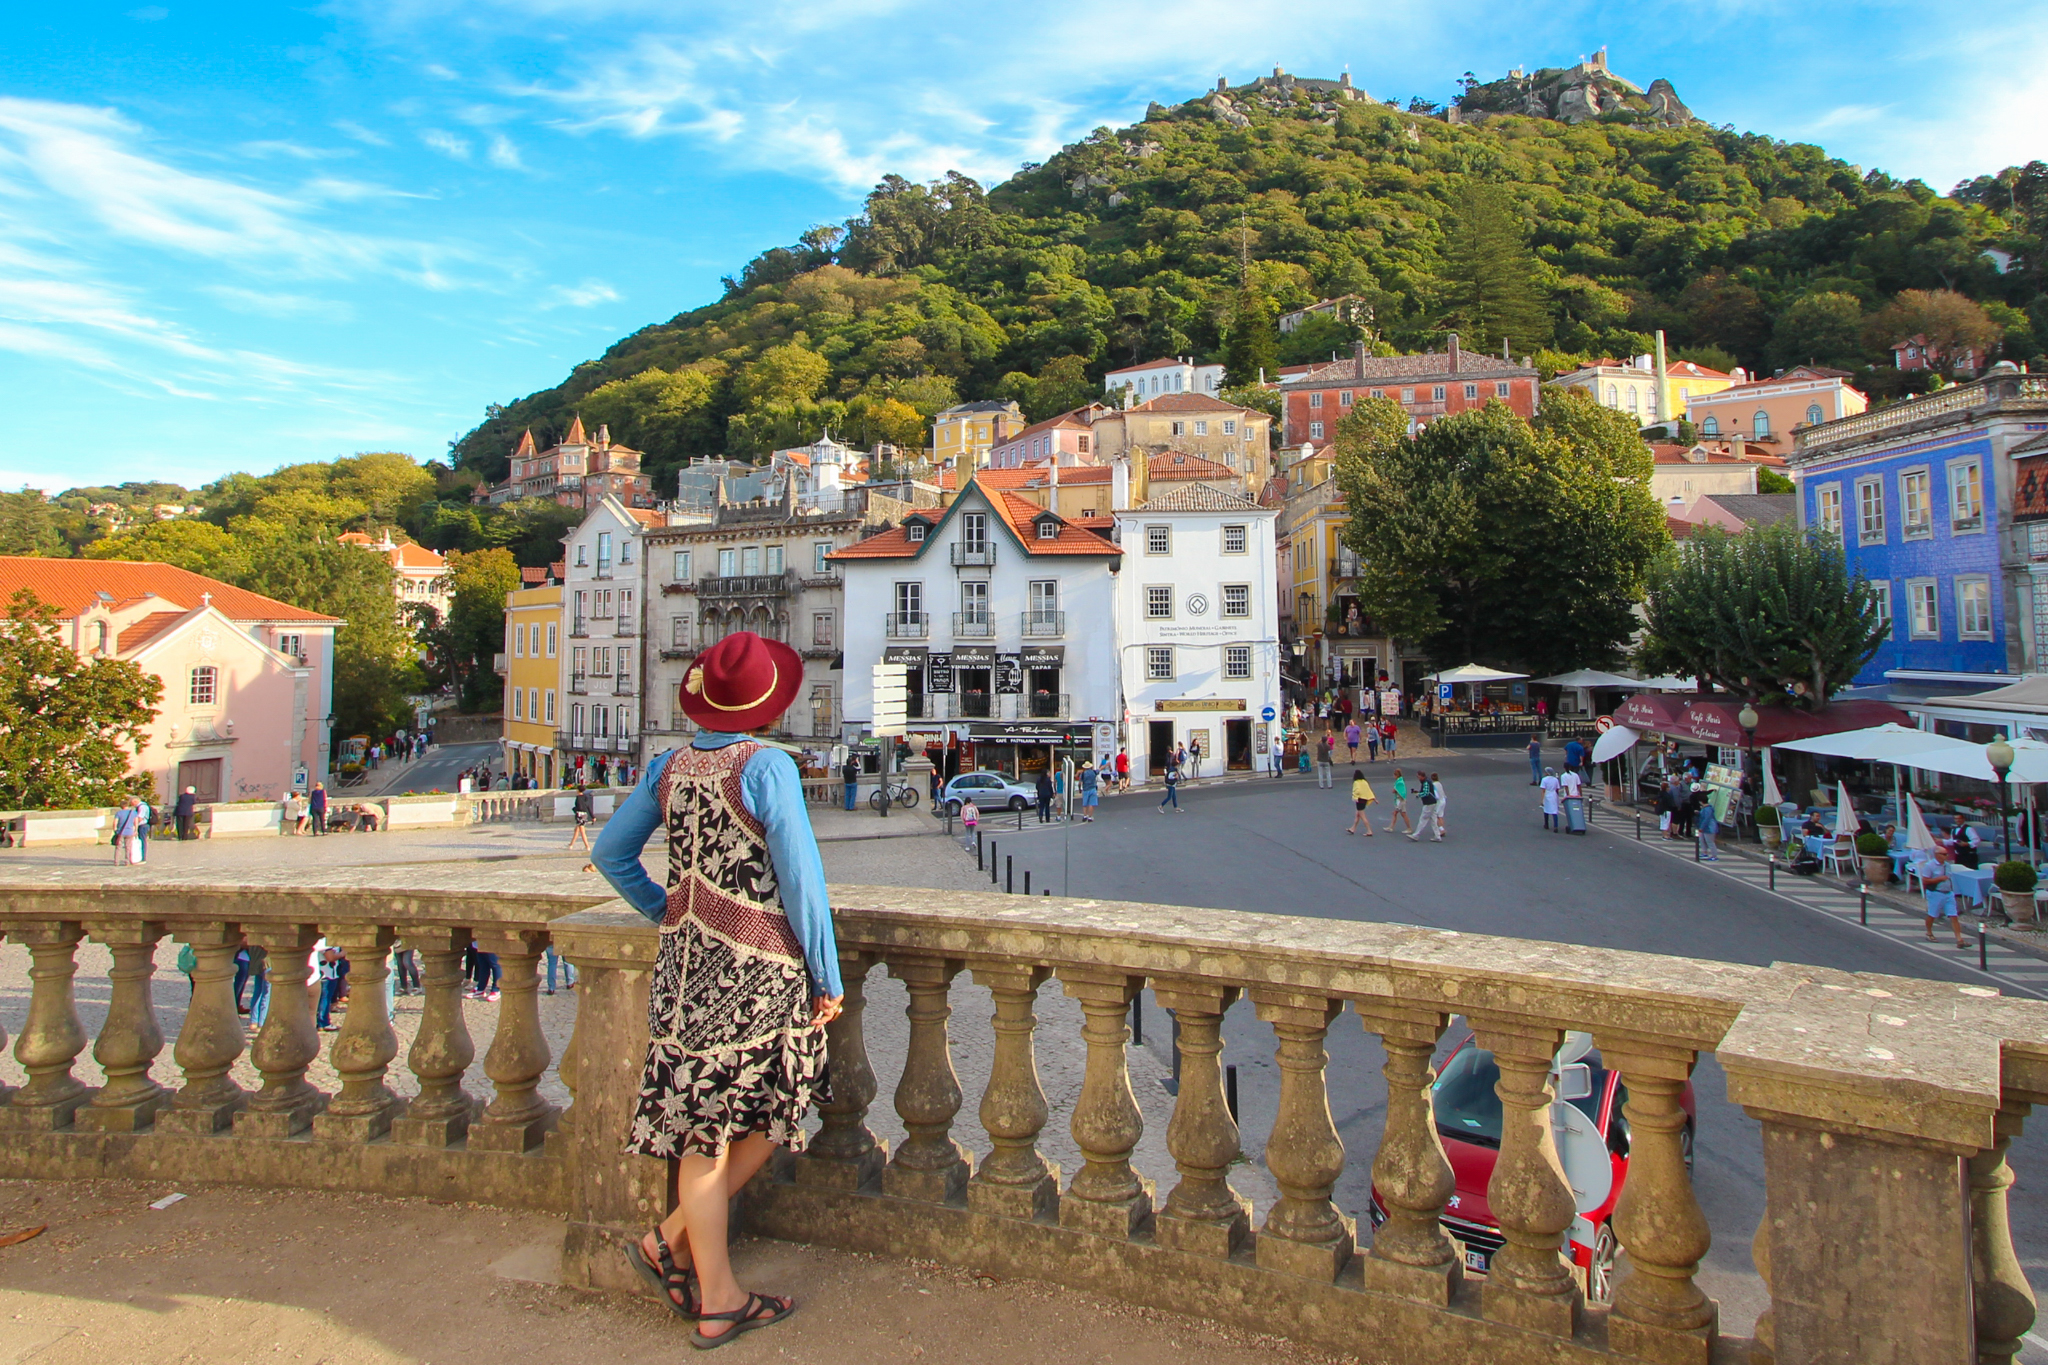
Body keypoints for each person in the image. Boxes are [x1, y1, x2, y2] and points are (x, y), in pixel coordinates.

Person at [592, 631, 839, 1347]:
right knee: (780, 1102)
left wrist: (668, 908)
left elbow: (612, 853)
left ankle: (670, 1241)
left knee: (703, 1128)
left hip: (682, 973)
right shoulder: (766, 766)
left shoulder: (669, 767)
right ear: (766, 704)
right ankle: (718, 1296)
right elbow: (801, 880)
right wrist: (825, 971)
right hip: (759, 968)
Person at [1914, 847, 1967, 947]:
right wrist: (1939, 879)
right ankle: (1929, 932)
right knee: (1932, 914)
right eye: (1944, 854)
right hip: (1935, 893)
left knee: (1954, 915)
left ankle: (1959, 939)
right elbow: (1925, 880)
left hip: (1948, 893)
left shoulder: (1947, 865)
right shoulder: (1930, 866)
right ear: (1937, 855)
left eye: (1946, 854)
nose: (1946, 856)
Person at [315, 946, 343, 1032]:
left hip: (330, 973)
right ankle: (323, 1022)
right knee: (325, 999)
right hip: (326, 974)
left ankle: (321, 1021)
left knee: (325, 999)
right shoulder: (324, 943)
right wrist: (344, 953)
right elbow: (330, 957)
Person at [1410, 773, 1441, 842]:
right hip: (1433, 802)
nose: (1418, 778)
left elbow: (1426, 793)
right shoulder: (1427, 781)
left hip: (1428, 803)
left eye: (1419, 777)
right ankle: (1437, 836)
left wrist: (1419, 794)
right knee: (1433, 820)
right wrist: (1419, 792)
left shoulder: (1426, 782)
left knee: (1423, 819)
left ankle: (1416, 835)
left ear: (1422, 776)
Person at [111, 797, 142, 865]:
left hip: (120, 832)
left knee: (118, 847)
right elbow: (136, 822)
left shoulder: (119, 813)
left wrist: (115, 830)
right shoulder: (133, 812)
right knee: (128, 847)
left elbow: (115, 823)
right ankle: (127, 861)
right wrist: (136, 830)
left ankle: (116, 861)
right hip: (130, 832)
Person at [1346, 770, 1377, 836]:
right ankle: (1353, 828)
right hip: (1365, 799)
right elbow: (1369, 790)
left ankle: (1369, 830)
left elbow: (1357, 790)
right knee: (1358, 815)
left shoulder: (1356, 782)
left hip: (1360, 800)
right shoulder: (1364, 782)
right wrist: (1374, 799)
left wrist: (1355, 797)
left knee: (1362, 816)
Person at [1558, 765, 1585, 835]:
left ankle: (1572, 825)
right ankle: (1580, 825)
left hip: (1569, 797)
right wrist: (1581, 795)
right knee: (1578, 812)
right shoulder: (1575, 775)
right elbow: (1579, 785)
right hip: (1576, 795)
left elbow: (1566, 787)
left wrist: (1568, 795)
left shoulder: (1563, 776)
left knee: (1570, 813)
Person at [1696, 792, 1722, 860]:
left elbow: (1706, 819)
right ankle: (1704, 853)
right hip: (1705, 828)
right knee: (1702, 840)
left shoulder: (1708, 809)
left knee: (1710, 842)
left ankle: (1714, 856)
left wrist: (1701, 827)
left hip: (1709, 828)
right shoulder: (1705, 808)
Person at [1386, 769, 1413, 835]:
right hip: (1401, 801)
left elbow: (1395, 790)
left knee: (1395, 813)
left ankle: (1391, 827)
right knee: (1403, 814)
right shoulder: (1400, 781)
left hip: (1401, 801)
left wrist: (1394, 790)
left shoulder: (1399, 782)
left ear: (1396, 775)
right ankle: (1408, 828)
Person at [1540, 768, 1562, 832]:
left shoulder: (1544, 780)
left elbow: (1543, 790)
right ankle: (1556, 826)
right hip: (1553, 795)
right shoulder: (1555, 780)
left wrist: (1542, 800)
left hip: (1547, 794)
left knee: (1546, 809)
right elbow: (1557, 789)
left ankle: (1546, 824)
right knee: (1554, 811)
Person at [1431, 773, 1448, 839]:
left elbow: (1435, 795)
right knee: (1440, 816)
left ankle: (1441, 829)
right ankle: (1441, 829)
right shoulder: (1439, 783)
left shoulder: (1433, 785)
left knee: (1436, 815)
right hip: (1443, 800)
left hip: (1439, 802)